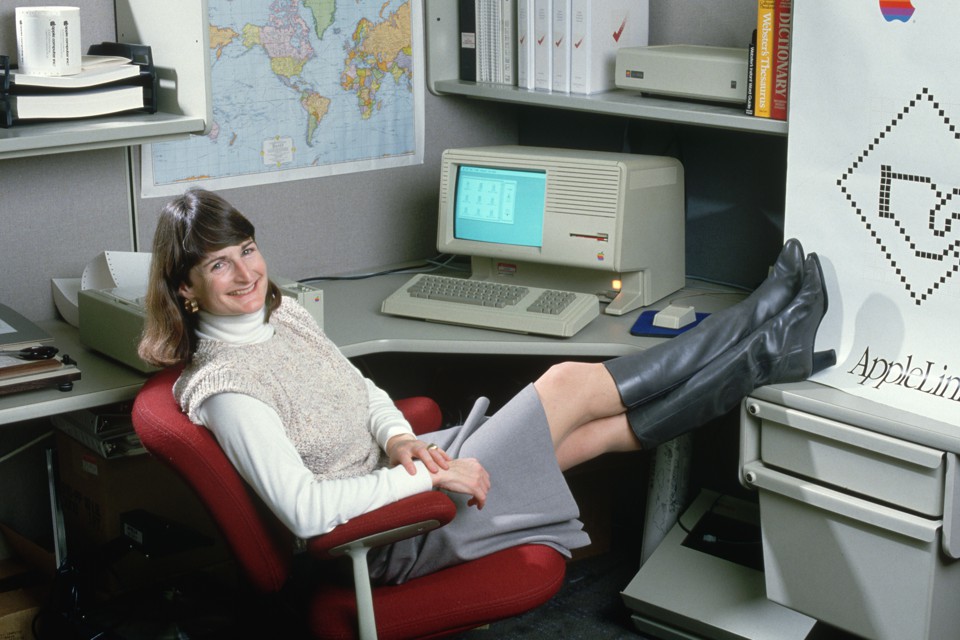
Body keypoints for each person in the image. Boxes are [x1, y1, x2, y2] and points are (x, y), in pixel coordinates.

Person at [138, 188, 833, 585]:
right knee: (563, 386)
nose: (245, 273)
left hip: (409, 470)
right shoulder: (226, 386)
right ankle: (760, 328)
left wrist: (401, 437)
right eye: (219, 266)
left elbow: (362, 391)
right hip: (384, 534)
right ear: (186, 289)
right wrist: (428, 483)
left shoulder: (281, 314)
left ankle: (765, 349)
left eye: (248, 251)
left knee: (585, 432)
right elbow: (306, 512)